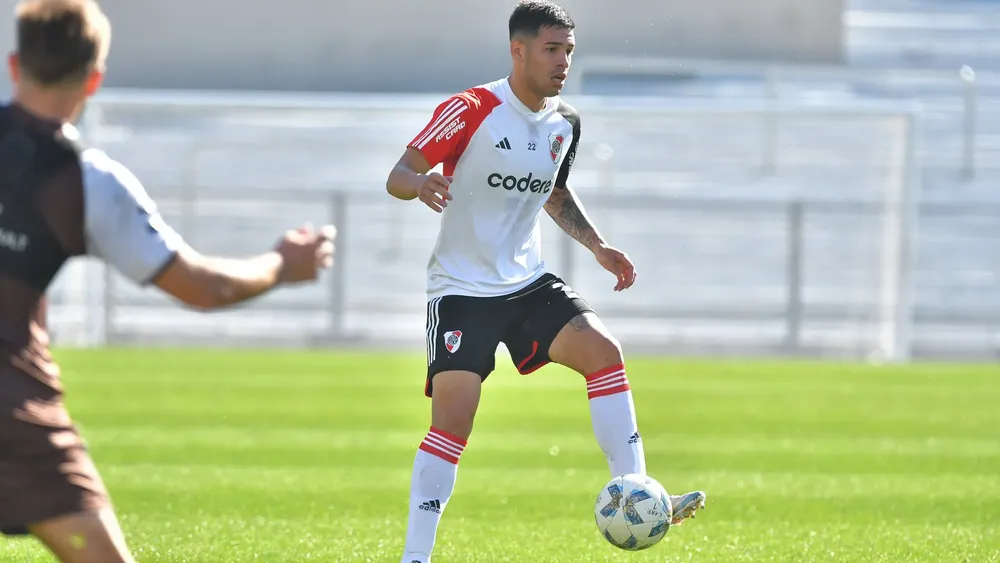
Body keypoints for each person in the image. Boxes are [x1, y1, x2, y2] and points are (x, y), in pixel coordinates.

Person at [0, 1, 337, 562]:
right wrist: (284, 264)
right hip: (12, 410)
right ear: (95, 77)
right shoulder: (89, 181)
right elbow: (205, 287)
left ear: (14, 65)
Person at [385, 1, 706, 561]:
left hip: (527, 281)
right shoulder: (472, 108)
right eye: (552, 50)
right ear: (519, 50)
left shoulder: (565, 122)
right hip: (462, 290)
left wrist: (598, 246)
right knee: (454, 422)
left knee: (604, 351)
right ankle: (416, 556)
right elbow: (399, 173)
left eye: (569, 51)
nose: (563, 62)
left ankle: (638, 493)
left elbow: (555, 193)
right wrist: (421, 186)